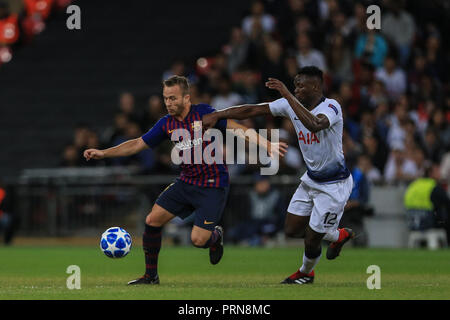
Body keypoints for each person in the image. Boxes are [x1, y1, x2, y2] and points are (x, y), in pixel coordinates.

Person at [83, 75, 287, 285]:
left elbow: (237, 128)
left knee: (198, 241)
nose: (168, 103)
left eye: (173, 98)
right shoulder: (166, 124)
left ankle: (215, 236)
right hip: (186, 182)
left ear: (186, 98)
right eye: (166, 99)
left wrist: (266, 143)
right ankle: (150, 276)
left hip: (212, 185)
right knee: (152, 220)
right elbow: (137, 144)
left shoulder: (205, 113)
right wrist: (103, 153)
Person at [202, 66, 355, 285]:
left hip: (334, 184)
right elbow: (251, 110)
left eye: (300, 85)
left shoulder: (331, 106)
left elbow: (314, 125)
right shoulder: (290, 104)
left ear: (315, 86)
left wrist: (286, 94)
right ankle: (339, 235)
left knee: (312, 240)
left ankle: (305, 273)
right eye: (294, 86)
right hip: (312, 179)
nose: (296, 89)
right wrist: (218, 114)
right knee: (292, 229)